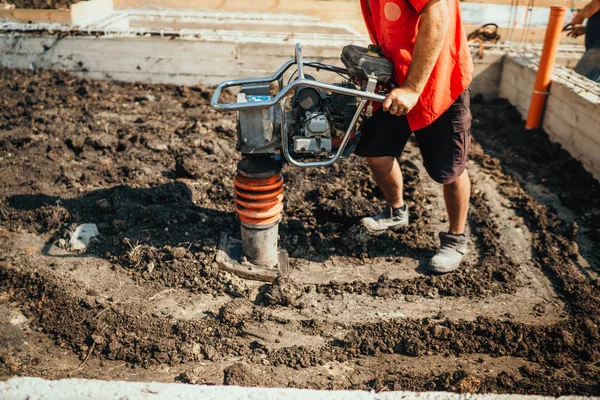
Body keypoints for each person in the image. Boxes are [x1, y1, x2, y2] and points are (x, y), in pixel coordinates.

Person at [355, 0, 474, 274]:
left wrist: (412, 87)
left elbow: (437, 14)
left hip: (439, 80)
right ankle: (396, 212)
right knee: (376, 152)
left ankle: (456, 238)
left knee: (449, 169)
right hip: (396, 76)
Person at [567, 0, 600, 82]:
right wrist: (586, 29)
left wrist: (580, 17)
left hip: (597, 50)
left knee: (576, 83)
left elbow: (593, 6)